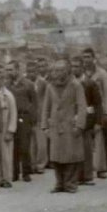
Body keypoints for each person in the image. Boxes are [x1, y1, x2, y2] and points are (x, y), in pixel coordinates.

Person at [41, 58, 87, 193]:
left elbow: (82, 106)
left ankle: (71, 184)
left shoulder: (76, 85)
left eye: (60, 70)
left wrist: (79, 125)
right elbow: (46, 108)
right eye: (55, 70)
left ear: (67, 71)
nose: (57, 73)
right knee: (56, 157)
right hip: (55, 127)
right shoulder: (50, 87)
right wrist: (44, 126)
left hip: (70, 126)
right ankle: (59, 183)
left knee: (71, 157)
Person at [82, 48, 107, 179]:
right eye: (84, 57)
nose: (86, 59)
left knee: (99, 137)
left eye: (88, 57)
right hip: (85, 108)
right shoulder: (81, 73)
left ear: (93, 58)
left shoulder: (102, 73)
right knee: (85, 139)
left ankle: (101, 168)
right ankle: (86, 169)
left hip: (98, 108)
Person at [72, 56, 103, 186]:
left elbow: (97, 104)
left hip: (87, 121)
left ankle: (88, 176)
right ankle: (76, 176)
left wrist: (98, 122)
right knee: (74, 150)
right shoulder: (70, 84)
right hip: (73, 121)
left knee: (87, 149)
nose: (75, 69)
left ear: (83, 68)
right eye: (72, 66)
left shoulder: (90, 84)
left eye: (77, 66)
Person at [5, 60, 37, 183]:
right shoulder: (7, 85)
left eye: (11, 70)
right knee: (14, 146)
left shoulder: (28, 84)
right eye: (7, 70)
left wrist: (33, 120)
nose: (9, 72)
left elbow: (34, 102)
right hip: (11, 118)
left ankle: (26, 172)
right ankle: (14, 173)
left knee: (24, 146)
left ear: (17, 70)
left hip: (24, 117)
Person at [0, 70, 17, 188]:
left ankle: (6, 178)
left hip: (5, 127)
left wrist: (11, 130)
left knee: (6, 155)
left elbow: (13, 114)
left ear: (2, 80)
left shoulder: (8, 95)